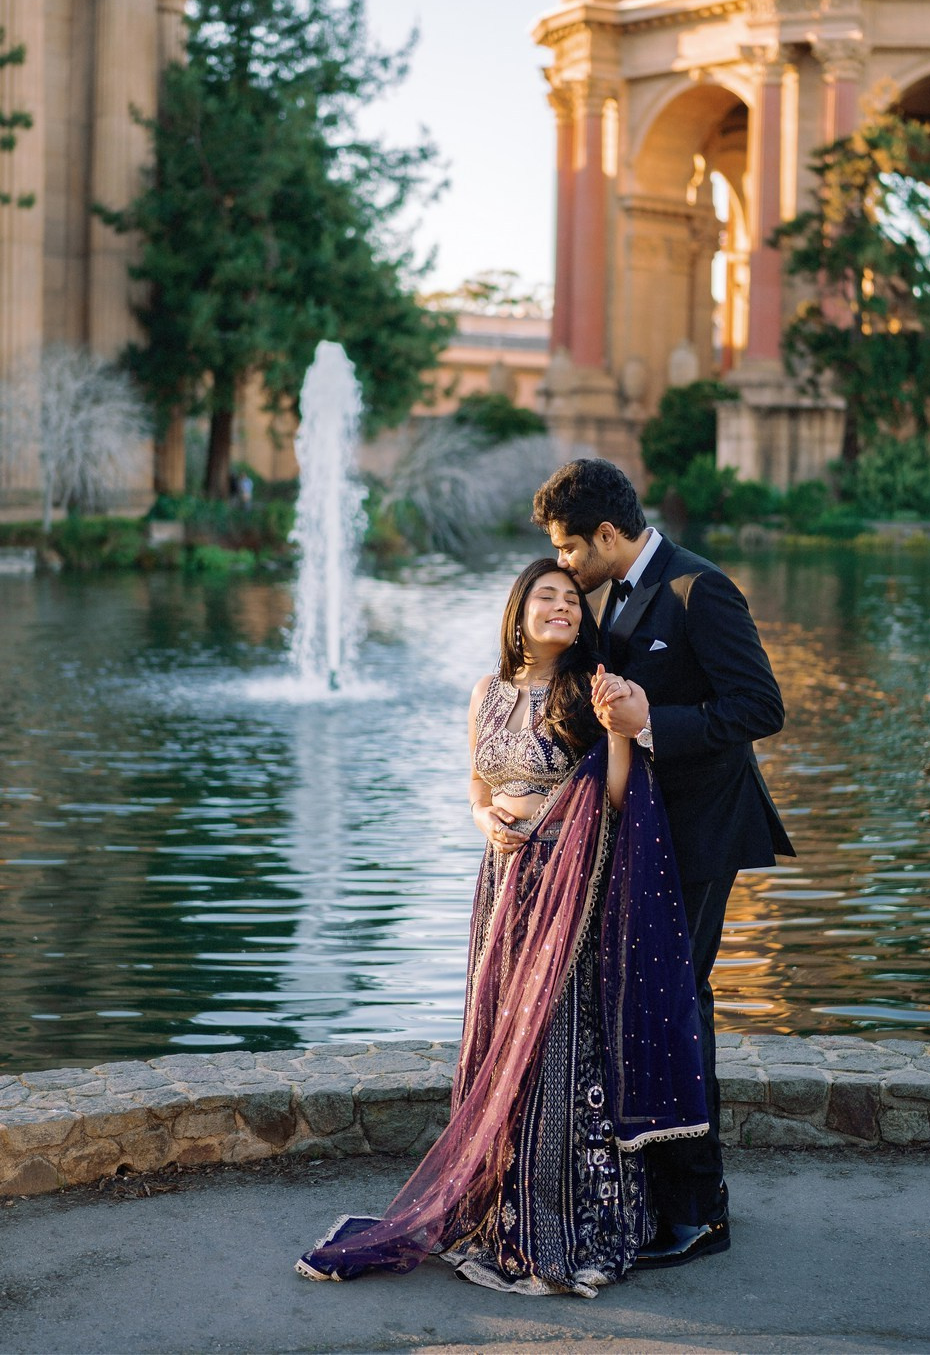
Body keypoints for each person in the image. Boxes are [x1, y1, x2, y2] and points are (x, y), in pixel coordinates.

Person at [296, 559, 709, 1295]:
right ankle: (495, 1204)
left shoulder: (593, 688)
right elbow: (478, 783)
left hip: (565, 886)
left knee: (557, 1046)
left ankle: (558, 1220)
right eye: (546, 596)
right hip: (502, 887)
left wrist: (619, 734)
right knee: (498, 1035)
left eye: (573, 601)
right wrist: (485, 817)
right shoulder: (486, 693)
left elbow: (614, 799)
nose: (563, 608)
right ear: (518, 611)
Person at [532, 458, 794, 1269]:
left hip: (703, 832)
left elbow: (760, 708)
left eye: (570, 549)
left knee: (681, 1007)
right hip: (639, 835)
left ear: (608, 535)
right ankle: (654, 1192)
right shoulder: (607, 596)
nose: (564, 566)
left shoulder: (699, 589)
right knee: (646, 1003)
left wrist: (652, 725)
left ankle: (702, 1209)